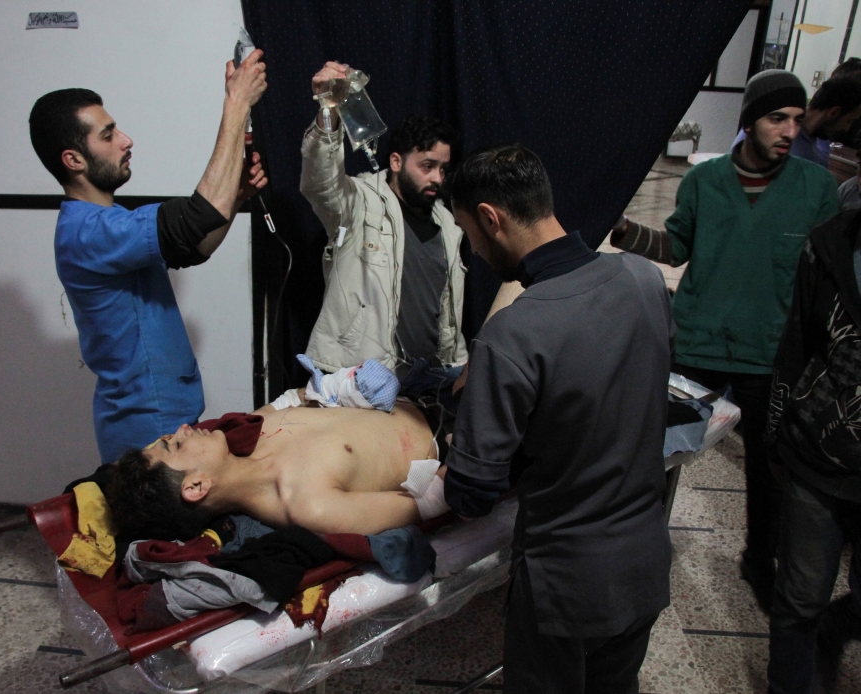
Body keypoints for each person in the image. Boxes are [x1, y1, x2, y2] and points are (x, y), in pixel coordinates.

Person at [443, 144, 674, 693]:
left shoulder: (514, 334)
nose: (472, 251)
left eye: (467, 233)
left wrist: (461, 444)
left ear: (491, 219)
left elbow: (472, 492)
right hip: (643, 564)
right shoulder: (644, 280)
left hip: (568, 584)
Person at [610, 69, 839, 611]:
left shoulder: (815, 189)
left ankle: (760, 559)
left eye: (797, 120)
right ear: (749, 122)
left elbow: (823, 280)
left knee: (768, 470)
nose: (789, 130)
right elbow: (677, 246)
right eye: (776, 117)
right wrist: (622, 232)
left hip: (769, 356)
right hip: (696, 345)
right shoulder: (703, 182)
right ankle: (635, 543)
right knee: (656, 452)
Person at [28, 51, 268, 464]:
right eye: (108, 135)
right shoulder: (88, 233)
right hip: (147, 430)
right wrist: (236, 104)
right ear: (74, 160)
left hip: (168, 416)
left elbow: (195, 247)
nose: (126, 140)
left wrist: (238, 197)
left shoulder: (112, 220)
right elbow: (198, 216)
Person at [299, 61, 467, 384]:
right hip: (360, 377)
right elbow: (321, 184)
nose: (437, 178)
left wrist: (457, 366)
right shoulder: (360, 202)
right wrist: (329, 112)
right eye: (427, 166)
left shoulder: (449, 226)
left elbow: (447, 314)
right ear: (395, 162)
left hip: (430, 381)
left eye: (443, 169)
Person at [104, 396, 450, 540]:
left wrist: (344, 383)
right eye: (176, 445)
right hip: (454, 432)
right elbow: (428, 501)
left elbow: (302, 393)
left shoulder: (255, 429)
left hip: (423, 389)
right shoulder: (309, 504)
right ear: (196, 487)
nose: (183, 429)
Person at [765, 207, 861, 694]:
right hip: (815, 459)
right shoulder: (828, 245)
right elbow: (796, 344)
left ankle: (840, 628)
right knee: (799, 601)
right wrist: (776, 437)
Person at [731, 73, 861, 168]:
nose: (847, 128)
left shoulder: (822, 142)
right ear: (834, 112)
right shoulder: (768, 130)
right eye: (848, 121)